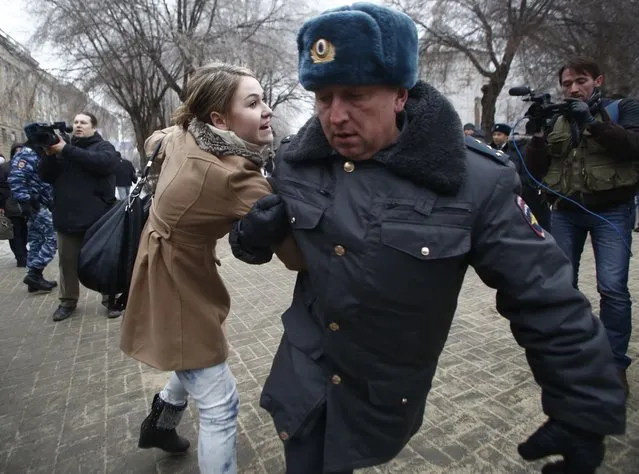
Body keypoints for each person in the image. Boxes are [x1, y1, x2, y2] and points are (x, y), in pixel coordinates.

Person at [229, 5, 625, 474]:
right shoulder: (298, 162)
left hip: (380, 389)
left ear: (400, 94)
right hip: (304, 372)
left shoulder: (473, 180)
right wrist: (251, 238)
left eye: (355, 96)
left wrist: (582, 407)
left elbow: (545, 297)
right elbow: (257, 245)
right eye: (323, 96)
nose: (335, 116)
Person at [119, 63, 304, 474]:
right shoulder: (236, 176)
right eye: (253, 102)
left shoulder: (185, 134)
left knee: (196, 351)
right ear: (219, 120)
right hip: (176, 281)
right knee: (220, 404)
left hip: (168, 263)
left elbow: (157, 138)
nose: (267, 109)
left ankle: (160, 424)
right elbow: (297, 258)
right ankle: (163, 425)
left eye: (264, 99)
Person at [526, 56, 639, 396]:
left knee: (613, 288)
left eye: (581, 81)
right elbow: (535, 170)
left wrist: (592, 123)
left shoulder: (623, 108)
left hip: (612, 211)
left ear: (598, 81)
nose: (573, 88)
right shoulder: (557, 118)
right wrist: (537, 136)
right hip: (565, 211)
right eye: (567, 83)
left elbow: (634, 147)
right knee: (561, 287)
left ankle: (613, 363)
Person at [39, 112, 121, 321]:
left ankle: (110, 299)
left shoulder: (103, 147)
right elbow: (45, 176)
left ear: (94, 127)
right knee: (67, 264)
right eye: (75, 122)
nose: (78, 125)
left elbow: (104, 163)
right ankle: (67, 301)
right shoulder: (61, 149)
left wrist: (66, 150)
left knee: (103, 262)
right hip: (67, 219)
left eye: (83, 122)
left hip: (98, 219)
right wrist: (49, 155)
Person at [7, 145, 57, 292]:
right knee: (52, 238)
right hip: (35, 205)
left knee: (37, 241)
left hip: (40, 203)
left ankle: (34, 279)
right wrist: (26, 201)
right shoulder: (26, 154)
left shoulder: (40, 153)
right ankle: (35, 272)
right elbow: (16, 179)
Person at [0, 144, 29, 267]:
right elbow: (1, 188)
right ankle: (21, 257)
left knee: (25, 231)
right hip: (11, 205)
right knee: (15, 232)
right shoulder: (4, 167)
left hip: (26, 205)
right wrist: (1, 205)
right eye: (17, 151)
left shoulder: (28, 166)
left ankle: (23, 253)